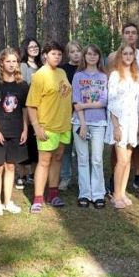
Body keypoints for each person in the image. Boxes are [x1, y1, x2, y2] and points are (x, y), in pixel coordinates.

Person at [27, 41, 73, 212]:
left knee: (58, 158)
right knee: (44, 161)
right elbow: (31, 104)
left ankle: (53, 194)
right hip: (47, 126)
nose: (57, 57)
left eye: (60, 54)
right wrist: (36, 126)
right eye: (54, 53)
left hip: (63, 125)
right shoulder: (40, 75)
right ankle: (38, 198)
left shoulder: (61, 72)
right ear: (45, 55)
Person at [107, 23, 139, 195]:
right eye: (127, 32)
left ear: (138, 35)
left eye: (134, 32)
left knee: (136, 145)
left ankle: (138, 176)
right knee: (118, 147)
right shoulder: (113, 57)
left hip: (136, 107)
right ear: (122, 34)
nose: (131, 35)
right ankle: (115, 179)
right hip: (119, 109)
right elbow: (110, 88)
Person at [0, 48, 28, 216]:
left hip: (16, 130)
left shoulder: (22, 85)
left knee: (11, 166)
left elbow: (25, 109)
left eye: (14, 61)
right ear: (2, 63)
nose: (12, 64)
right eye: (8, 61)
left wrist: (25, 128)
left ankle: (7, 201)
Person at [106, 42, 139, 209]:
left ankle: (122, 192)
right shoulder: (115, 75)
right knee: (121, 160)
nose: (128, 56)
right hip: (119, 121)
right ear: (120, 56)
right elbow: (111, 102)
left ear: (134, 56)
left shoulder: (137, 76)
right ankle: (116, 194)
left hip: (132, 121)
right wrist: (116, 126)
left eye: (130, 54)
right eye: (125, 53)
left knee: (128, 160)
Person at [72, 44, 108, 209]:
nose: (92, 57)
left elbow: (104, 102)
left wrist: (85, 106)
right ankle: (85, 193)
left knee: (97, 159)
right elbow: (76, 102)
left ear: (99, 57)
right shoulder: (78, 76)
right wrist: (83, 124)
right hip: (80, 123)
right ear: (84, 57)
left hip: (99, 122)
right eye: (89, 54)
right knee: (83, 159)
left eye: (95, 54)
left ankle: (98, 193)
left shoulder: (103, 77)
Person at [18, 37, 42, 188]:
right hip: (25, 106)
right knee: (24, 141)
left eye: (36, 46)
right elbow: (22, 85)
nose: (34, 49)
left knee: (34, 143)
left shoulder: (41, 65)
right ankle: (22, 174)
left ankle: (33, 174)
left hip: (40, 108)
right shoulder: (22, 65)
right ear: (26, 49)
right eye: (31, 47)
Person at [59, 41, 83, 191]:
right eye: (72, 52)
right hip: (66, 114)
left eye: (78, 51)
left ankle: (83, 179)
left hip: (83, 115)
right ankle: (65, 177)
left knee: (82, 150)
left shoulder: (85, 68)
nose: (76, 54)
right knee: (66, 149)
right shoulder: (63, 70)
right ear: (68, 54)